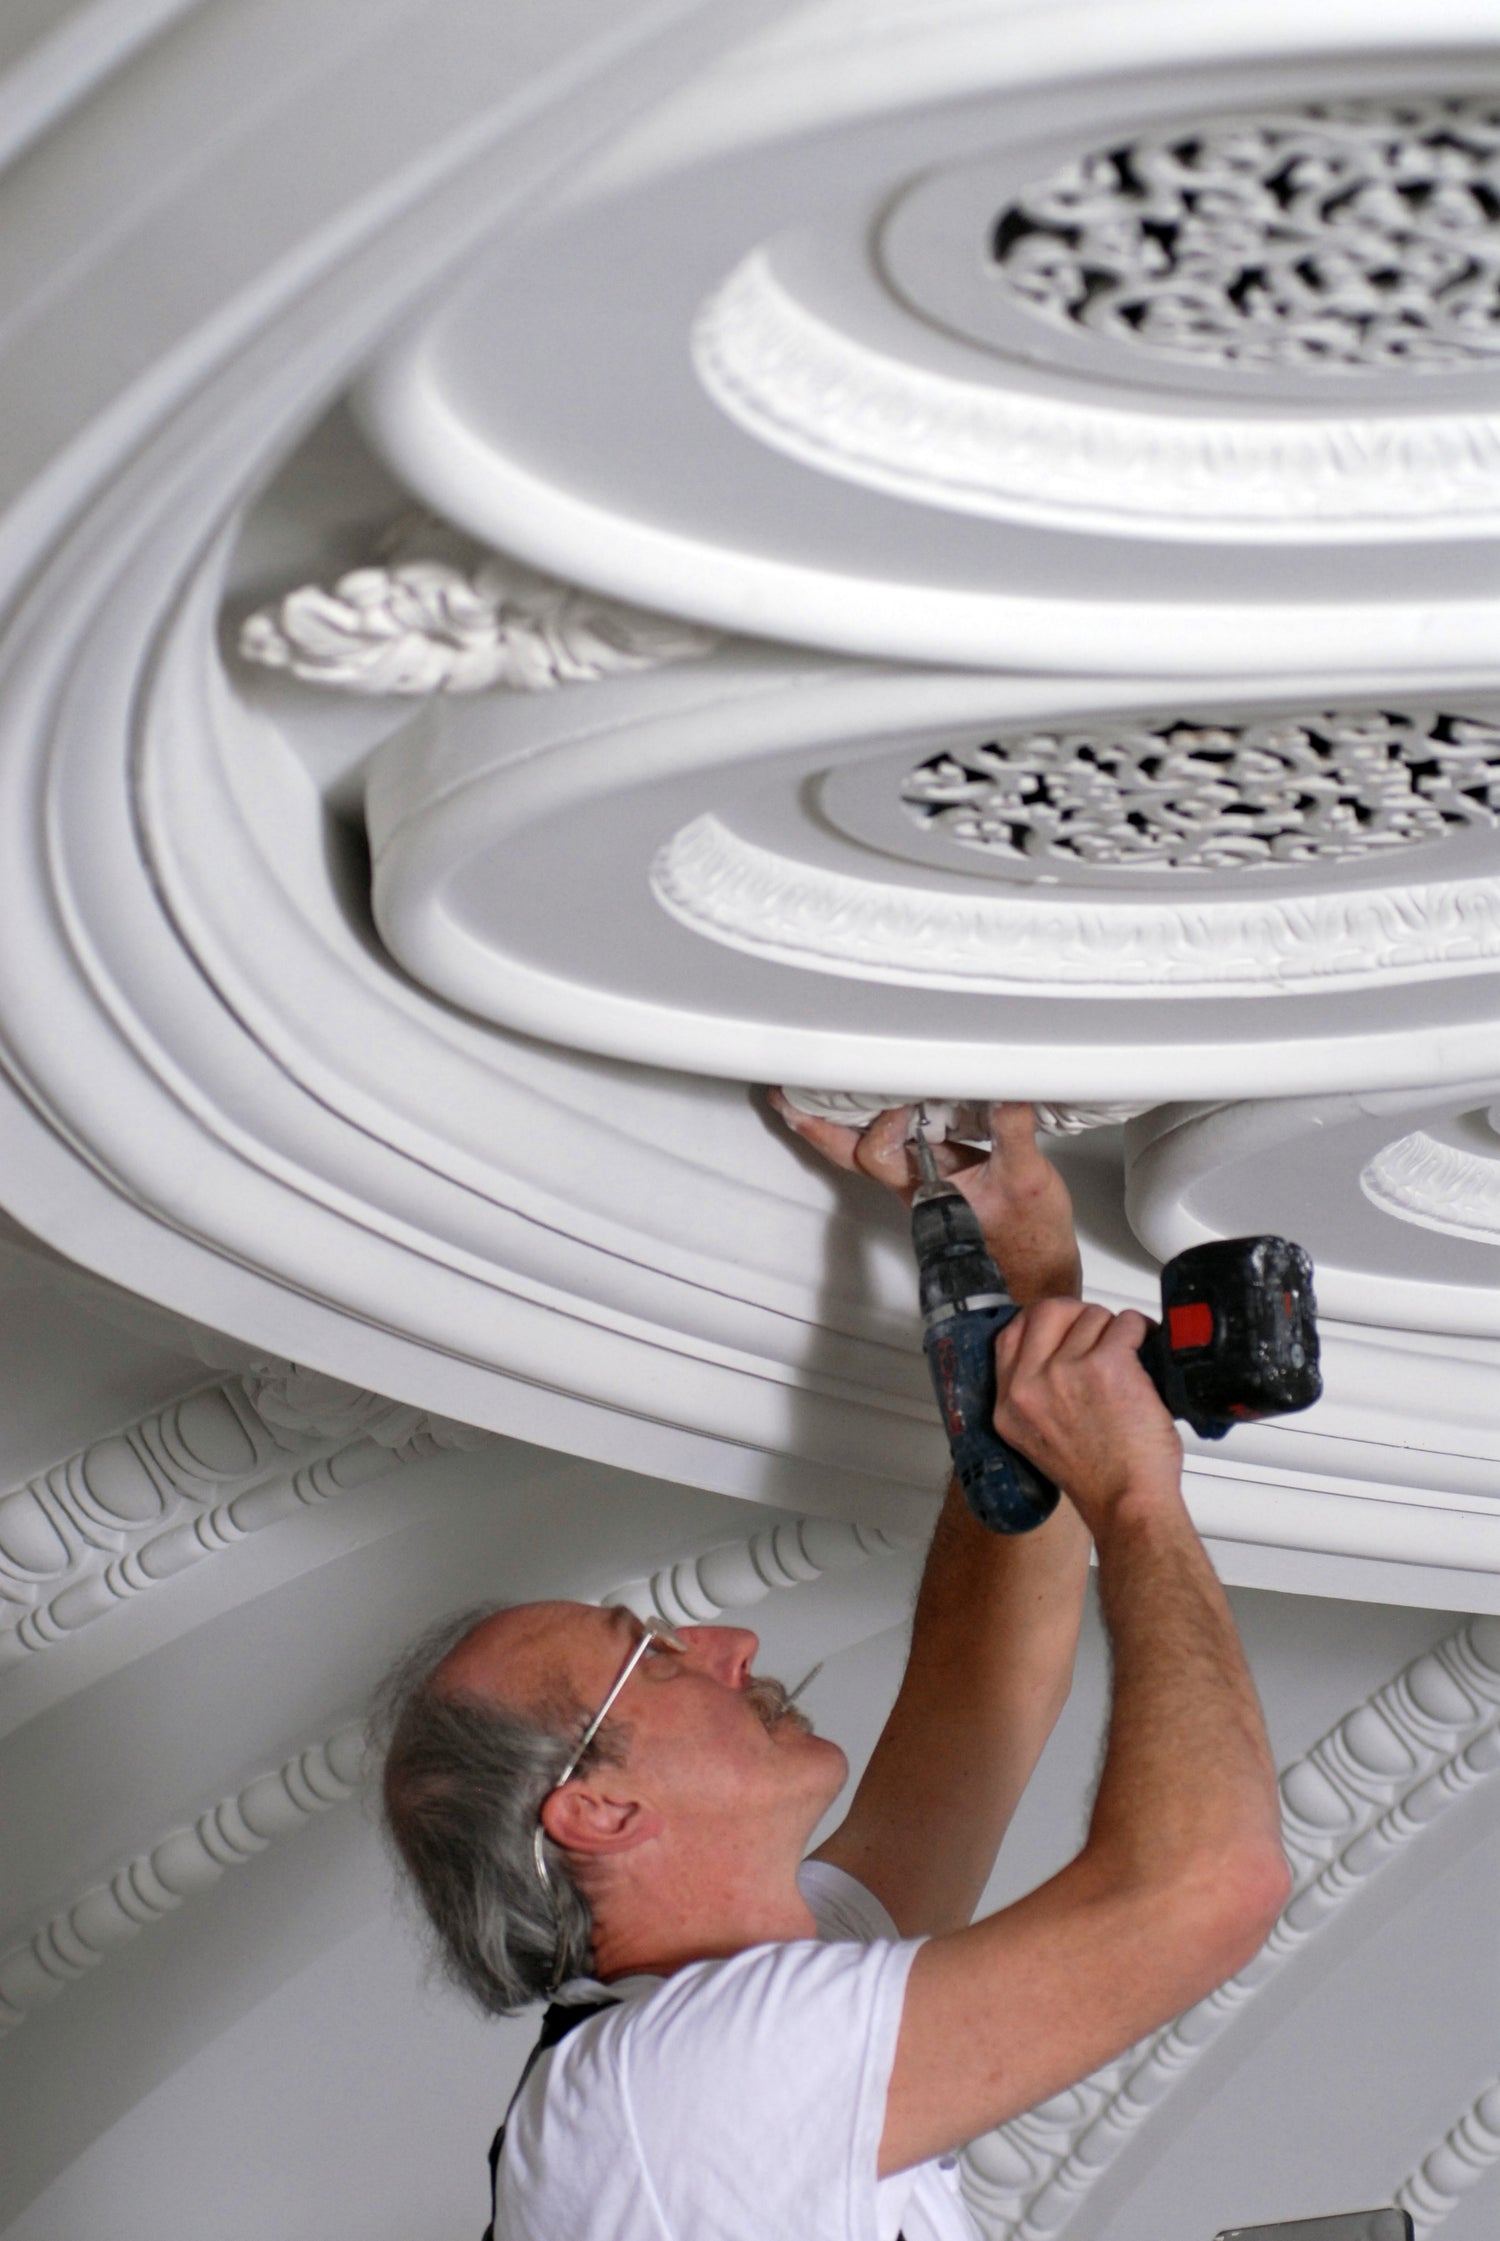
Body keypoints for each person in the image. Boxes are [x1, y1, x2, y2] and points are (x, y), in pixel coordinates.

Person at [373, 1101, 1290, 2241]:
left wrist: (1032, 1309)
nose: (732, 1646)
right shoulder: (671, 2084)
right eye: (656, 1658)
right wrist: (1136, 1497)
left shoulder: (714, 2027)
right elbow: (1209, 1888)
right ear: (600, 1811)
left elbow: (980, 1696)